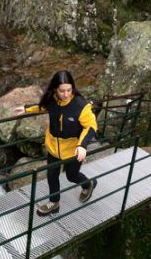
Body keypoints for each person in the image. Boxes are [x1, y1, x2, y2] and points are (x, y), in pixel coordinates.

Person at [14, 70, 98, 216]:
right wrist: (27, 108)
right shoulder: (52, 100)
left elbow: (91, 126)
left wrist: (82, 145)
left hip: (73, 150)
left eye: (69, 90)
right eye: (62, 91)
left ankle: (88, 184)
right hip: (53, 148)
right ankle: (54, 203)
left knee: (71, 176)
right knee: (52, 175)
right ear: (55, 89)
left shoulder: (80, 105)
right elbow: (43, 107)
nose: (66, 94)